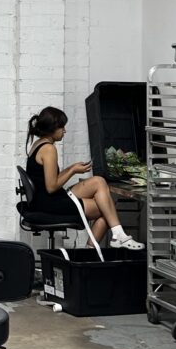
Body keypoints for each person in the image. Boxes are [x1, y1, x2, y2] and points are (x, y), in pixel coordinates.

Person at [26, 106, 143, 249]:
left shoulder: (39, 144)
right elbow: (51, 187)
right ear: (52, 128)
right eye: (62, 127)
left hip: (45, 199)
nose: (65, 131)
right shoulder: (49, 149)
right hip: (49, 202)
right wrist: (73, 170)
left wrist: (71, 168)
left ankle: (119, 236)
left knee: (98, 181)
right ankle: (92, 251)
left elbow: (48, 180)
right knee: (106, 210)